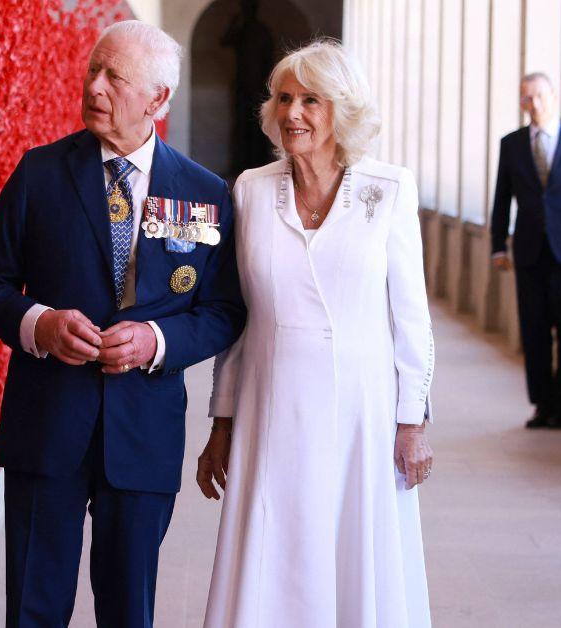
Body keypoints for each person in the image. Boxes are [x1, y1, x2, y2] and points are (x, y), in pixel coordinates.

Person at [0, 20, 246, 628]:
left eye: (114, 78)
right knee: (33, 609)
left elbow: (225, 311)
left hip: (143, 433)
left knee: (128, 609)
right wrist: (38, 324)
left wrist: (158, 340)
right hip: (47, 426)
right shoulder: (38, 173)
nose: (93, 87)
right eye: (93, 70)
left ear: (158, 100)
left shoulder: (204, 193)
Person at [196, 40, 433, 627]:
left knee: (356, 552)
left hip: (363, 411)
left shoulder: (390, 188)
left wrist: (412, 422)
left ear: (342, 110)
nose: (292, 113)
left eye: (311, 100)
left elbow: (411, 317)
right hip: (270, 406)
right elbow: (238, 317)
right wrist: (222, 422)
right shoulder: (249, 190)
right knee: (275, 549)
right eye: (283, 99)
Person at [489, 73, 561, 430]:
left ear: (553, 96)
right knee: (534, 330)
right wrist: (496, 247)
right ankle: (541, 403)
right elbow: (501, 200)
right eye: (526, 98)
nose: (533, 104)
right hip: (530, 252)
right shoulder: (512, 144)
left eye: (538, 96)